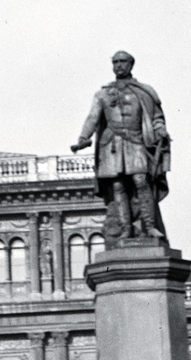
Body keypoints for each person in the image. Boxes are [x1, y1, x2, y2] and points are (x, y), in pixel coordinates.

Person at [71, 51, 170, 244]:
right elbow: (93, 117)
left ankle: (150, 227)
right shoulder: (103, 93)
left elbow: (156, 117)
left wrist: (161, 131)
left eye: (122, 62)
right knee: (118, 186)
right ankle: (126, 229)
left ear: (131, 64)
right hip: (112, 145)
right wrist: (83, 137)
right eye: (115, 62)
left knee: (141, 181)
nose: (118, 65)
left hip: (136, 142)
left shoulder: (145, 92)